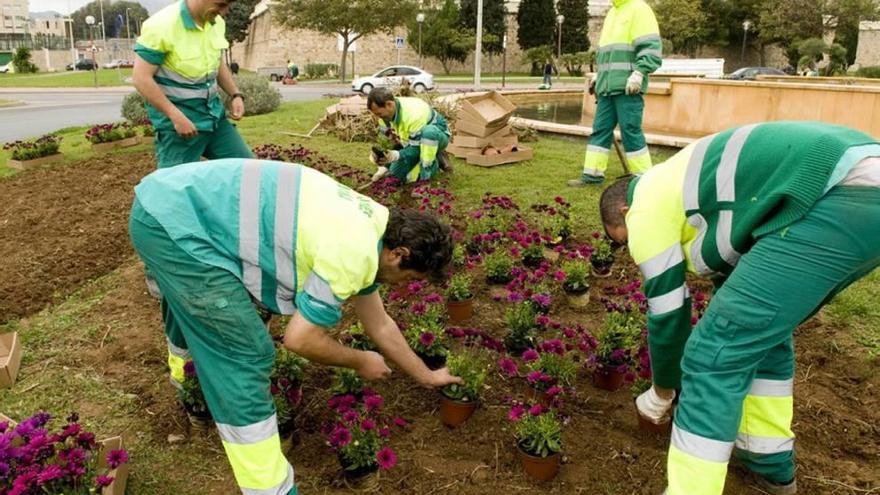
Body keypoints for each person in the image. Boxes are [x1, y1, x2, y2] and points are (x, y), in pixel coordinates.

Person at [129, 158, 462, 495]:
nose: (405, 286)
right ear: (398, 254)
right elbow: (299, 340)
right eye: (411, 277)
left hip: (168, 200)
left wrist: (426, 374)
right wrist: (359, 360)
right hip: (174, 224)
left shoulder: (373, 224)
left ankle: (185, 378)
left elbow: (380, 324)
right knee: (244, 356)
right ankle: (270, 488)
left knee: (191, 306)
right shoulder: (354, 252)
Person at [598, 121, 880, 495]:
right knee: (762, 338)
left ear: (624, 210)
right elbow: (734, 275)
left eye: (623, 241)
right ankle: (768, 463)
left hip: (837, 192)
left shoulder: (645, 205)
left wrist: (661, 392)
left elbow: (668, 317)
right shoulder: (683, 185)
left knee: (711, 357)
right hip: (856, 186)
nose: (631, 251)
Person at [133, 0, 253, 169]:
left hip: (214, 119)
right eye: (220, 5)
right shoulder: (162, 25)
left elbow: (216, 62)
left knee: (247, 170)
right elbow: (141, 78)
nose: (225, 12)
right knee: (174, 186)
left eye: (228, 6)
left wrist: (235, 94)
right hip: (180, 127)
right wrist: (175, 116)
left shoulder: (216, 22)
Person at [568, 0, 661, 186]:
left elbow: (651, 48)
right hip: (607, 87)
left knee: (631, 131)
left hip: (628, 86)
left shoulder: (639, 9)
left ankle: (643, 179)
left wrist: (640, 72)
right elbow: (607, 53)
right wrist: (599, 76)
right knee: (600, 131)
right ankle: (592, 176)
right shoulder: (612, 13)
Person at [367, 87, 452, 184]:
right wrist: (382, 166)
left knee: (428, 135)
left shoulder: (413, 115)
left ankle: (426, 176)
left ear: (389, 104)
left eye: (379, 114)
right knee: (395, 176)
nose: (378, 117)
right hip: (411, 141)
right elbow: (387, 142)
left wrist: (396, 155)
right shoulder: (384, 116)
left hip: (436, 136)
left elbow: (416, 148)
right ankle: (437, 155)